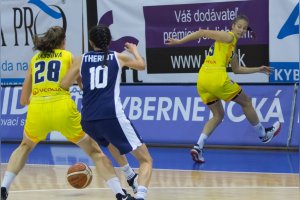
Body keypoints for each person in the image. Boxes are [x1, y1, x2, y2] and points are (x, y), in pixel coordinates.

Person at [0, 26, 135, 200]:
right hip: (63, 107)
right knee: (95, 151)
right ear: (62, 41)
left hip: (38, 108)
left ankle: (4, 186)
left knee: (24, 147)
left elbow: (23, 100)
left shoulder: (34, 59)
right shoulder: (69, 57)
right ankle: (120, 193)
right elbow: (84, 87)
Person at [166, 15, 281, 163]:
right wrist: (179, 42)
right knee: (246, 102)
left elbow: (238, 69)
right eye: (239, 26)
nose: (241, 30)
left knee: (218, 115)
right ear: (233, 26)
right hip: (216, 76)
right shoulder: (229, 36)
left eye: (244, 28)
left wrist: (259, 69)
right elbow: (202, 32)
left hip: (203, 80)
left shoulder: (231, 46)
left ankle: (198, 146)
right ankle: (263, 134)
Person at [60, 24, 153, 200]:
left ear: (90, 42)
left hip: (88, 118)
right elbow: (141, 65)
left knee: (111, 144)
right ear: (109, 41)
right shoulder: (118, 57)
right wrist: (134, 50)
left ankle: (128, 177)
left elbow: (64, 84)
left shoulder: (81, 59)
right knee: (146, 160)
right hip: (111, 114)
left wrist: (80, 80)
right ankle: (141, 196)